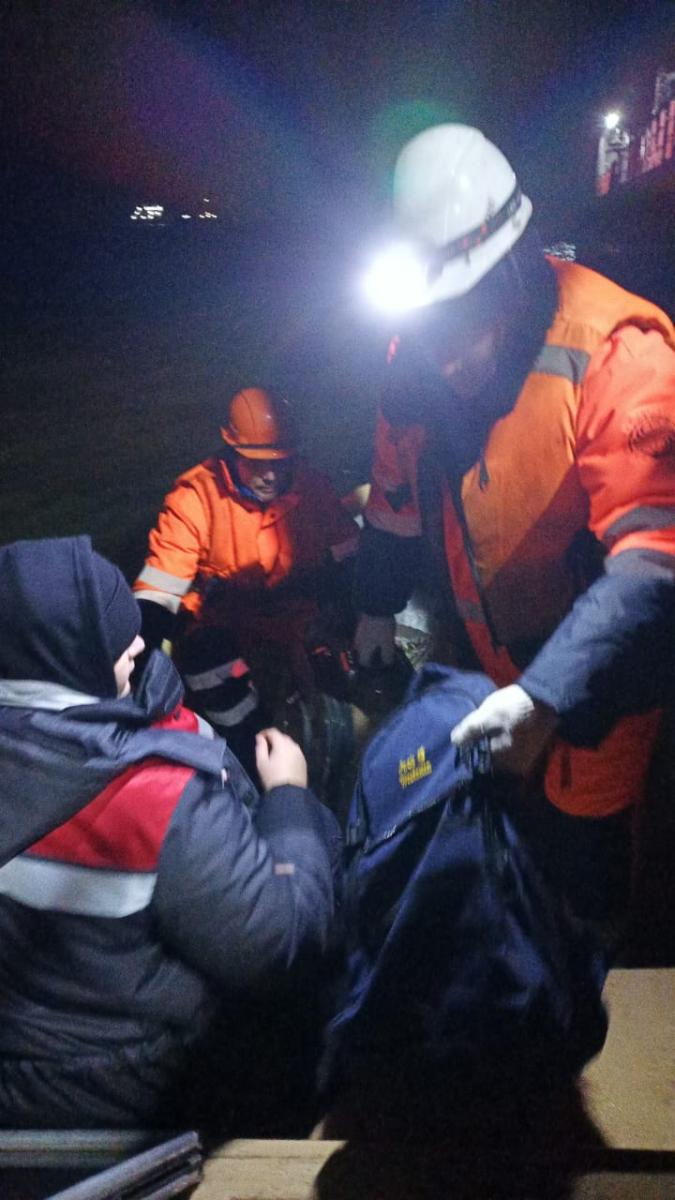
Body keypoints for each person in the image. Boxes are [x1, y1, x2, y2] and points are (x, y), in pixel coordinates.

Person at [354, 123, 675, 929]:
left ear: (511, 274)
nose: (443, 357)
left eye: (460, 318)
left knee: (582, 885)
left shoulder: (617, 352)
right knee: (502, 865)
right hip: (487, 670)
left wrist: (545, 698)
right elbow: (392, 500)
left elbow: (653, 562)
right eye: (427, 324)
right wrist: (374, 607)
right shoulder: (411, 362)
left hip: (600, 686)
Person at [0, 536, 341, 1133]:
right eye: (115, 639)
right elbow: (279, 947)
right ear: (65, 657)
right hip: (134, 1087)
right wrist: (289, 799)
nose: (139, 643)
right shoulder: (155, 798)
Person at [133, 387, 359, 776]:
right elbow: (159, 590)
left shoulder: (312, 488)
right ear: (232, 452)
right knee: (213, 671)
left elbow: (349, 556)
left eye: (279, 461)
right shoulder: (197, 498)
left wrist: (355, 617)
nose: (270, 474)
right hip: (224, 630)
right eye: (256, 462)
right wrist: (137, 661)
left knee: (344, 692)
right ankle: (250, 760)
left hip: (296, 622)